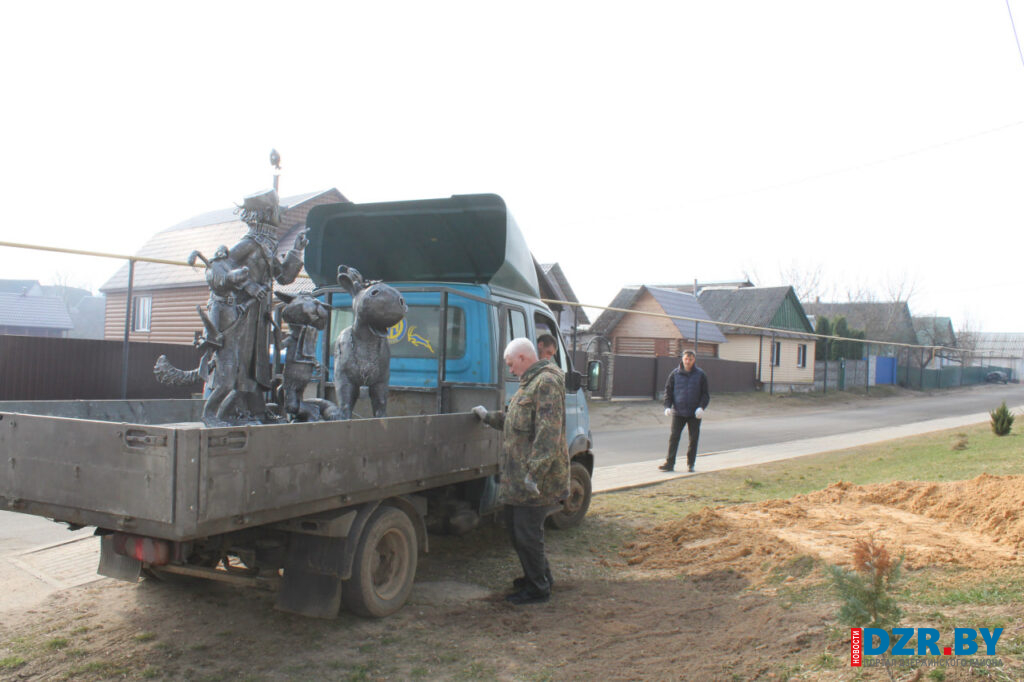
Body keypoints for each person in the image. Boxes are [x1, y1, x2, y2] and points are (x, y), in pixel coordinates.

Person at [472, 338, 569, 605]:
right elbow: (516, 422)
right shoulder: (529, 384)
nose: (510, 369)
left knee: (527, 534)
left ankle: (538, 589)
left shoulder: (546, 383)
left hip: (534, 480)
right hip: (519, 477)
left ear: (523, 358)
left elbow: (548, 434)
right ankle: (539, 577)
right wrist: (488, 417)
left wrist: (535, 474)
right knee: (519, 532)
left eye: (511, 364)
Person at [660, 349, 710, 473]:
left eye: (690, 359)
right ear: (682, 359)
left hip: (694, 413)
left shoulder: (700, 375)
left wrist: (701, 407)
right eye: (686, 359)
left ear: (694, 360)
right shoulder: (674, 374)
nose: (688, 361)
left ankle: (691, 464)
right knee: (674, 437)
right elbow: (668, 391)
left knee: (693, 439)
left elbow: (705, 394)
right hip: (678, 412)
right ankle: (670, 463)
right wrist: (667, 406)